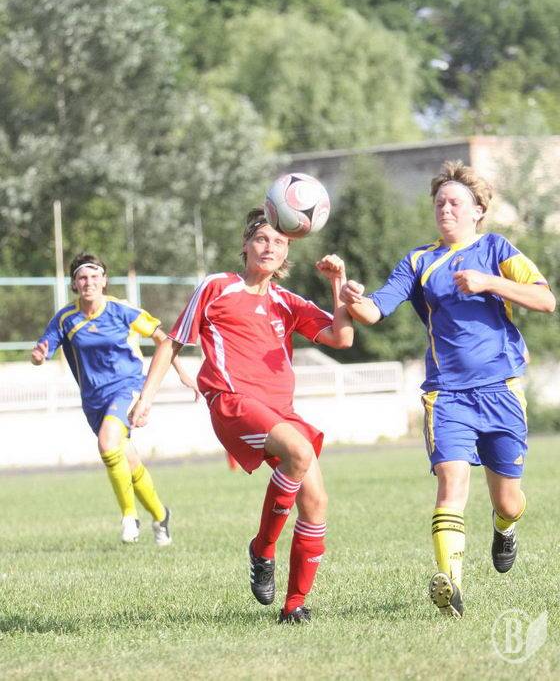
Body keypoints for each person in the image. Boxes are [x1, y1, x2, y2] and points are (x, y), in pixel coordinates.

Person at [340, 161, 555, 618]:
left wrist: (489, 282)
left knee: (508, 500)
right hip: (447, 395)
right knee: (451, 482)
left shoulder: (497, 249)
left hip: (501, 390)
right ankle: (451, 585)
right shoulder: (419, 261)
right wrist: (345, 292)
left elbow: (545, 299)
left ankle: (504, 527)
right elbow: (374, 310)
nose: (446, 209)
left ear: (478, 210)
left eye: (455, 202)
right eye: (440, 202)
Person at [130, 208, 353, 623]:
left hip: (280, 412)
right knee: (299, 452)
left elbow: (342, 336)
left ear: (286, 253)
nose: (270, 247)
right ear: (246, 245)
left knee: (316, 502)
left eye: (279, 242)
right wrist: (146, 399)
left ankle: (294, 606)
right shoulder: (217, 286)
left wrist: (337, 282)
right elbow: (172, 342)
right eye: (262, 239)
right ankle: (263, 549)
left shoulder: (287, 302)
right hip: (232, 402)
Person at [31, 252, 201, 545]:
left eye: (94, 276)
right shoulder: (66, 319)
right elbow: (42, 350)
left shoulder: (122, 310)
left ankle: (129, 517)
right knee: (128, 462)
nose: (89, 282)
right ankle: (161, 516)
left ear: (104, 280)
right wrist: (37, 357)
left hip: (128, 387)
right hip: (94, 400)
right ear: (74, 283)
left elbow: (164, 340)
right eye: (82, 278)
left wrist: (183, 373)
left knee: (107, 443)